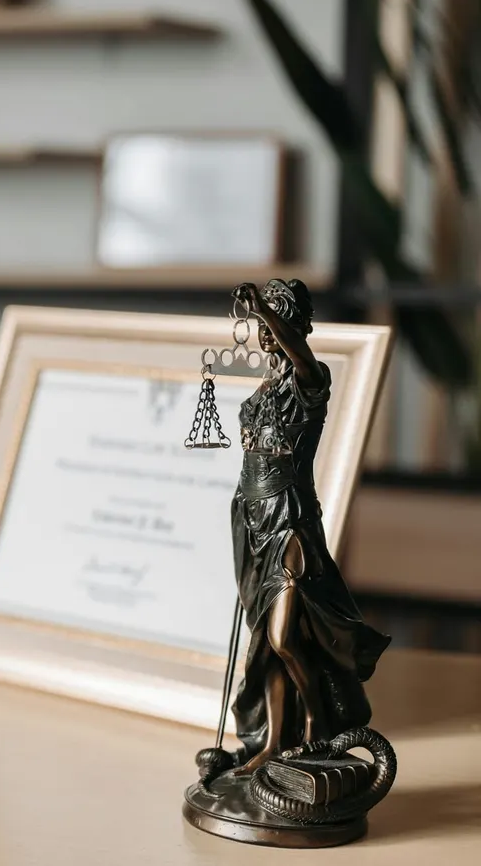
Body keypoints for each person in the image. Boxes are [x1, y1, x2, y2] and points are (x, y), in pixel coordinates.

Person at [228, 279, 390, 775]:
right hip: (251, 521)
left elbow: (298, 354)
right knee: (264, 646)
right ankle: (274, 742)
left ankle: (320, 723)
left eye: (278, 323)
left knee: (283, 637)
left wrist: (264, 311)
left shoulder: (310, 381)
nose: (267, 334)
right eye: (262, 325)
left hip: (290, 523)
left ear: (298, 327)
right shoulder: (263, 390)